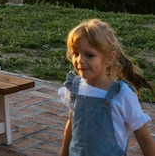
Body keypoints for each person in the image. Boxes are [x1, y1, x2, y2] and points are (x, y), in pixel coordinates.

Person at [58, 19, 155, 156]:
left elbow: (144, 138)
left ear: (109, 58)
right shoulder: (74, 89)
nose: (80, 60)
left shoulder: (122, 95)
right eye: (76, 54)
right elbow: (71, 126)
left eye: (89, 55)